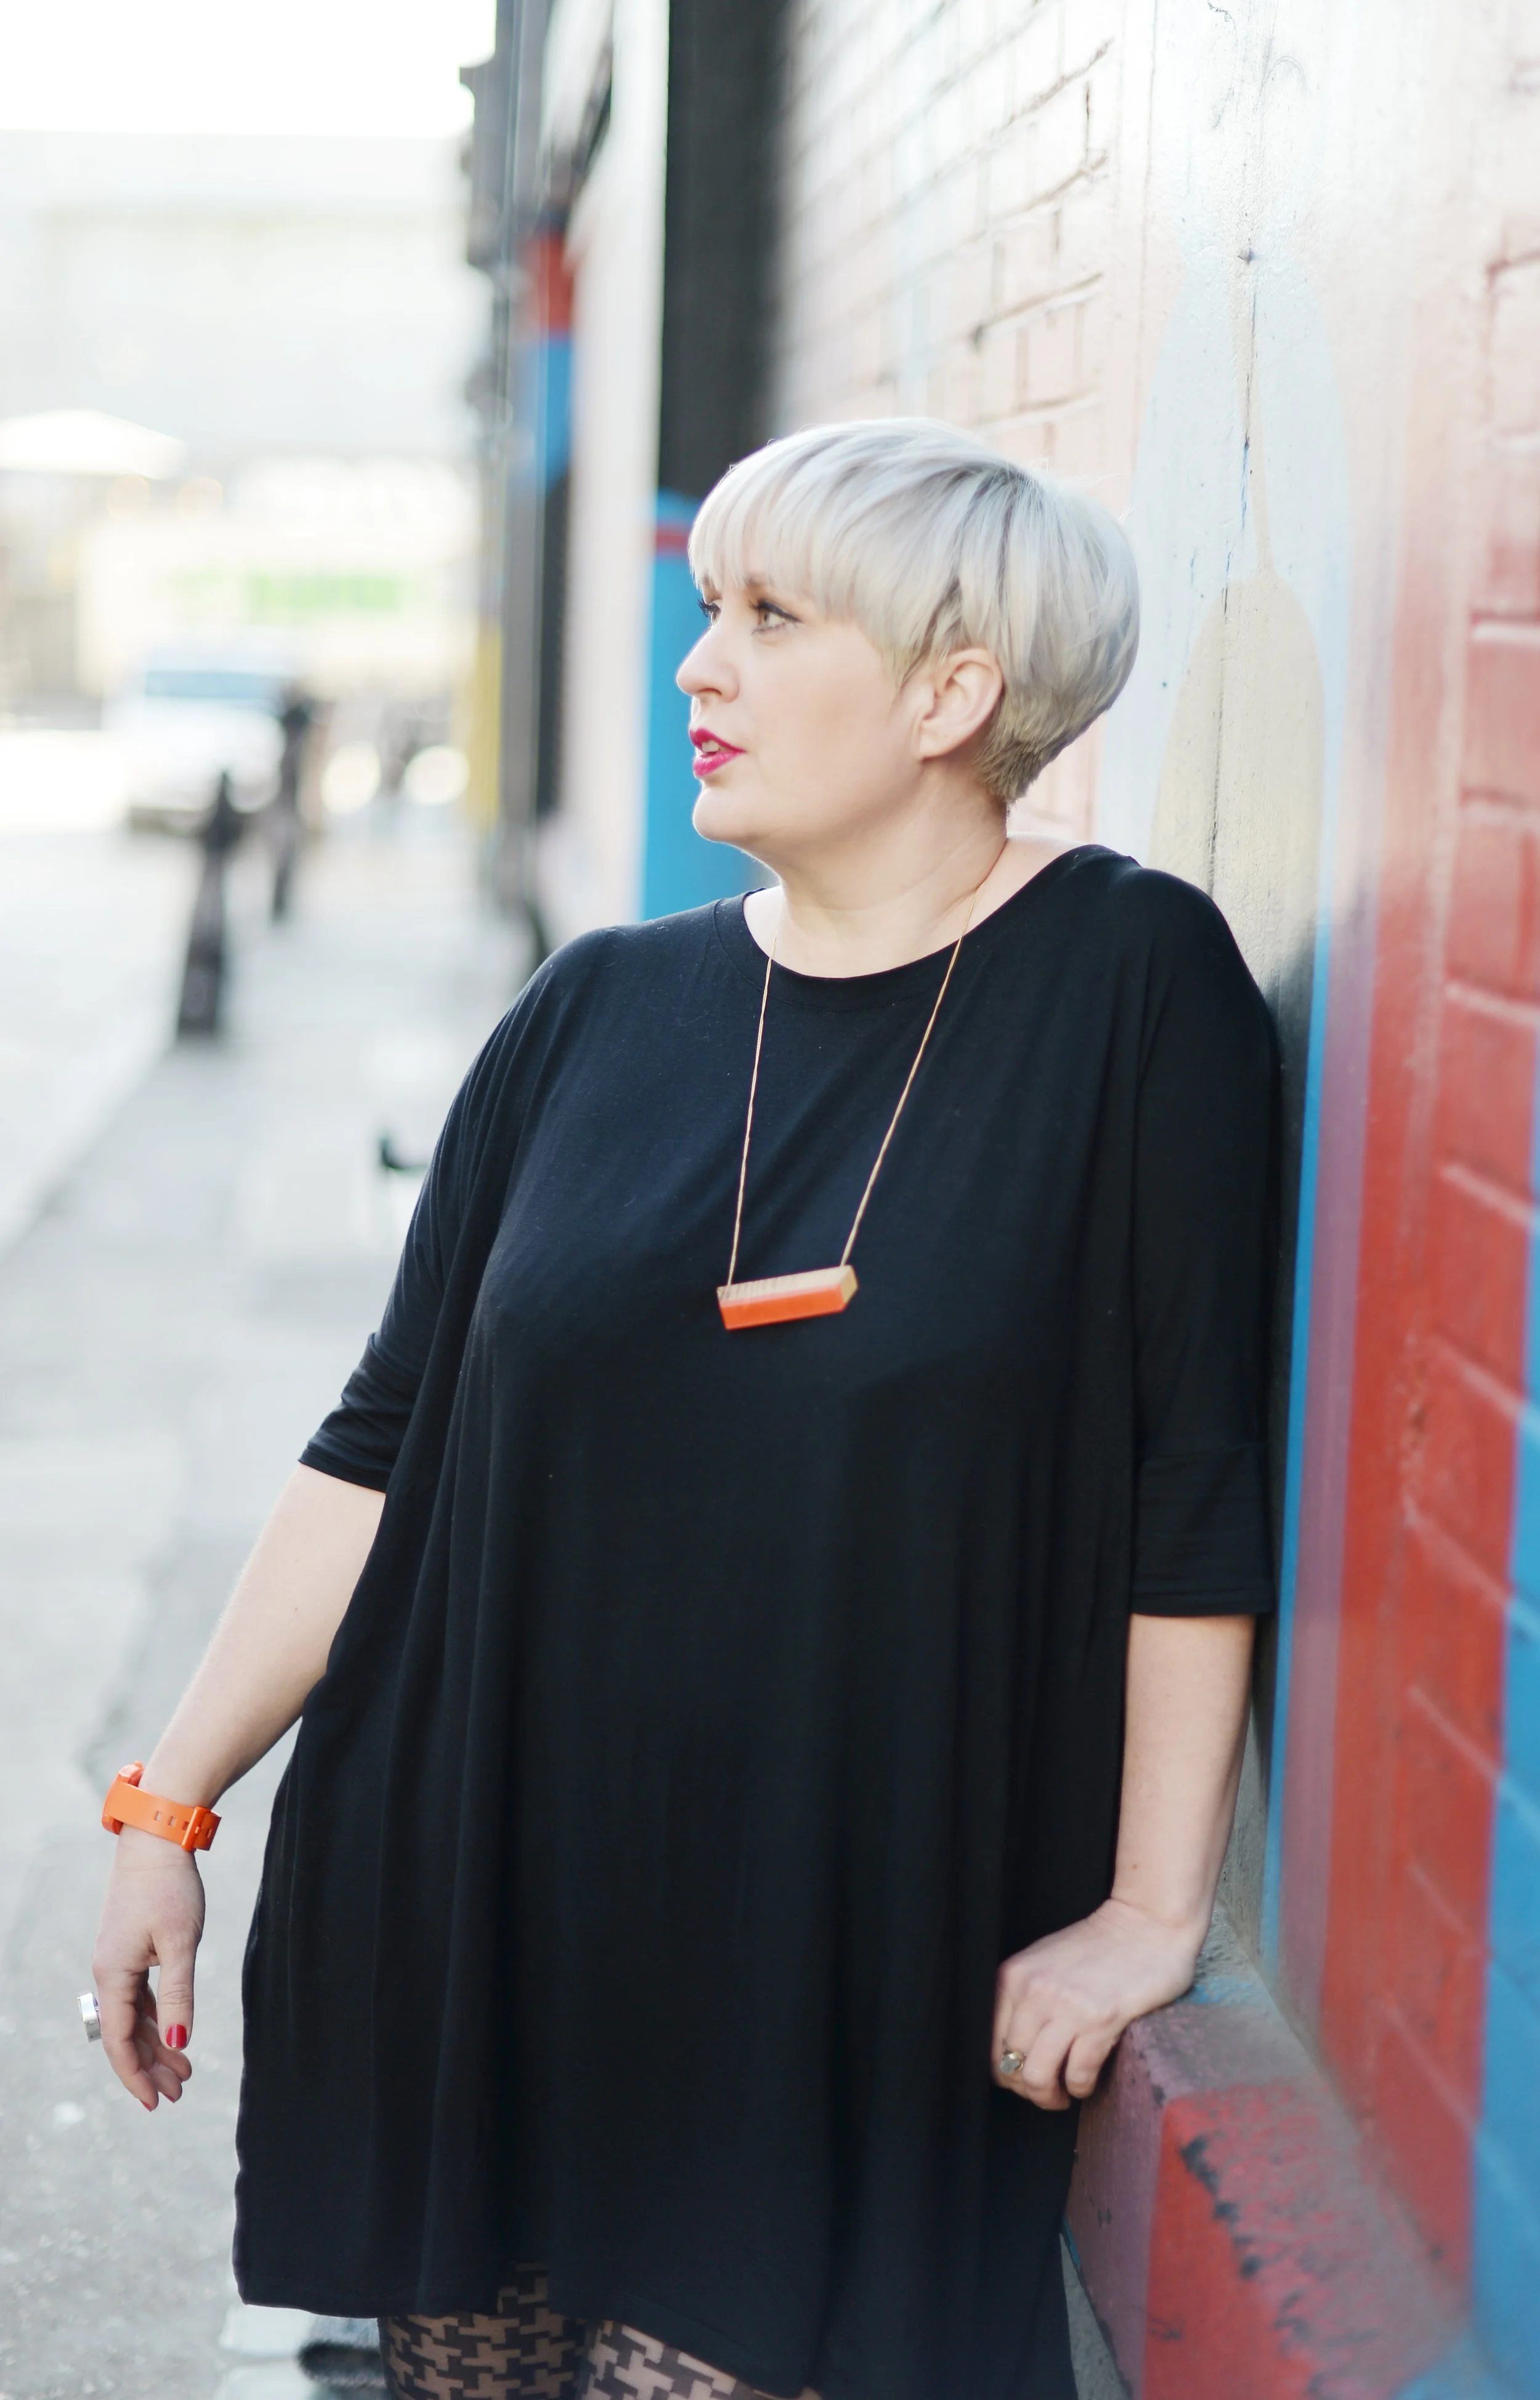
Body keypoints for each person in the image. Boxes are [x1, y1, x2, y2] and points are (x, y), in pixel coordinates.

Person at [91, 420, 1276, 2400]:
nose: (692, 668)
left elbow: (1192, 1486)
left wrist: (1151, 1911)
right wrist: (168, 1799)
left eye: (764, 616)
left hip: (832, 1961)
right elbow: (383, 1437)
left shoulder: (1129, 986)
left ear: (949, 690)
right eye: (706, 608)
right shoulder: (593, 1005)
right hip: (479, 1925)